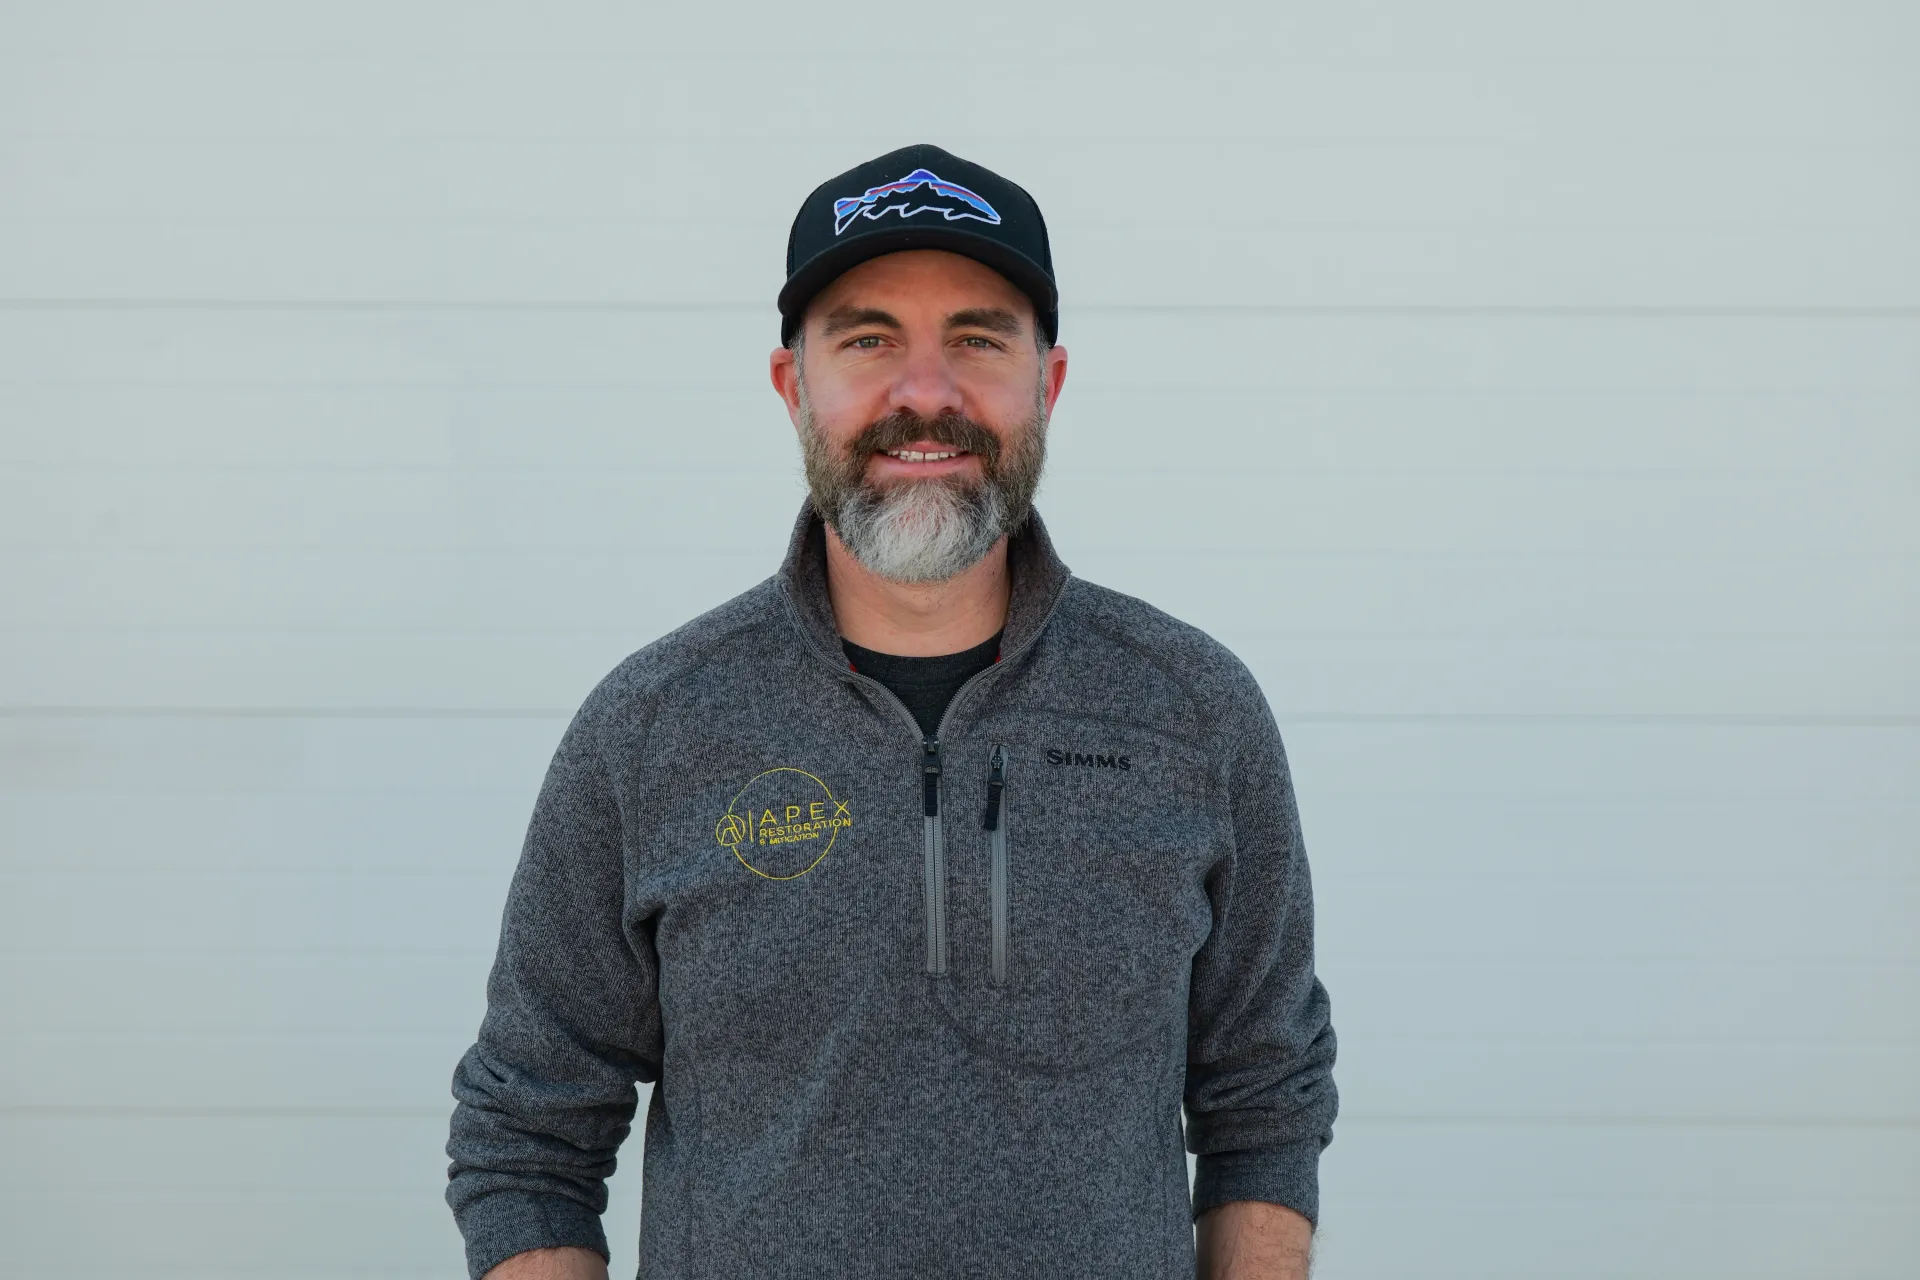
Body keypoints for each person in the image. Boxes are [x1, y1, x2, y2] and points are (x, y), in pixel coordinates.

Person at [446, 144, 1338, 1280]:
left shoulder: (1194, 712)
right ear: (793, 385)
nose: (925, 393)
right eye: (868, 340)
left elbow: (1265, 1093)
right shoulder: (652, 728)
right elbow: (527, 1132)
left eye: (976, 338)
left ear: (1047, 382)